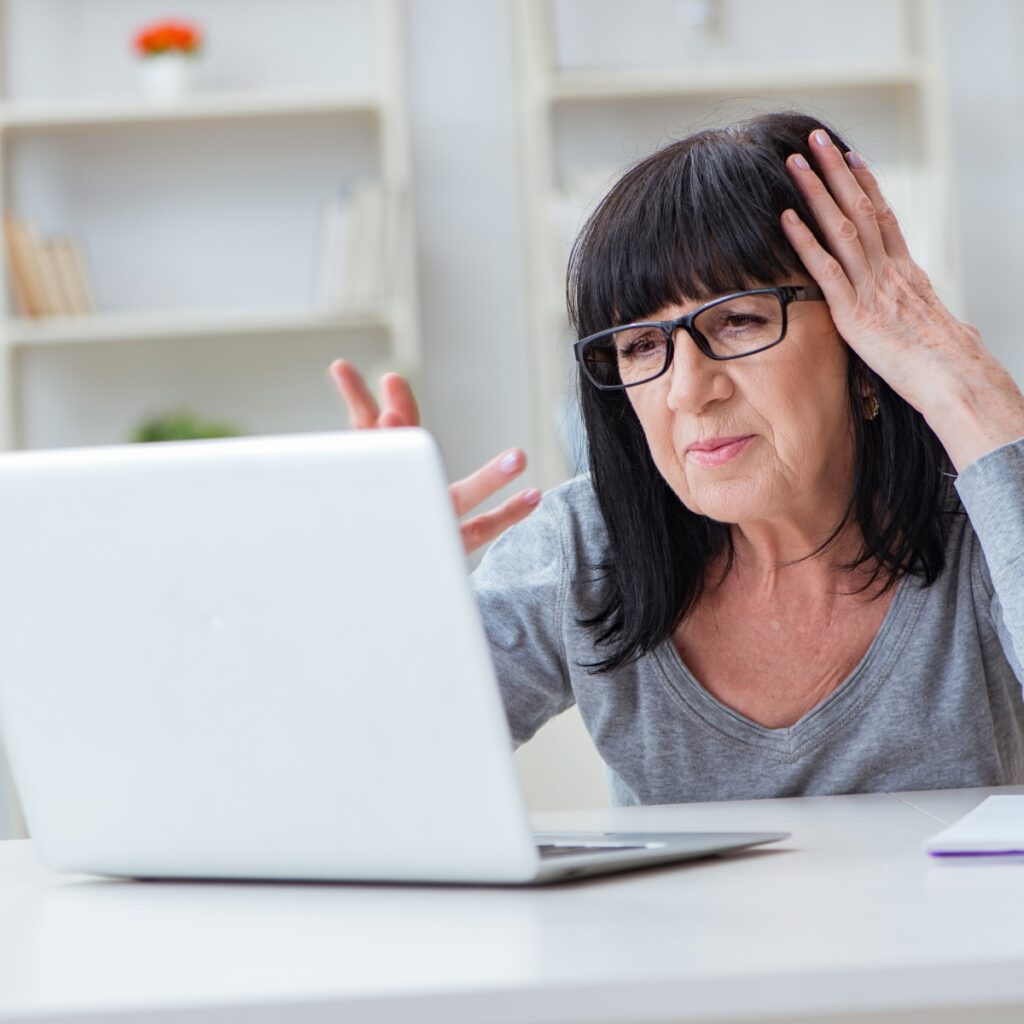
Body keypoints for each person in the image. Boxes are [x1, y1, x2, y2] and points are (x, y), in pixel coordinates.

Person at [332, 111, 1024, 805]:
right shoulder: (584, 549)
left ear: (866, 344)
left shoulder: (988, 523)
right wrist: (376, 600)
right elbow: (361, 775)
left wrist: (972, 396)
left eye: (740, 319)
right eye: (640, 346)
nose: (687, 390)